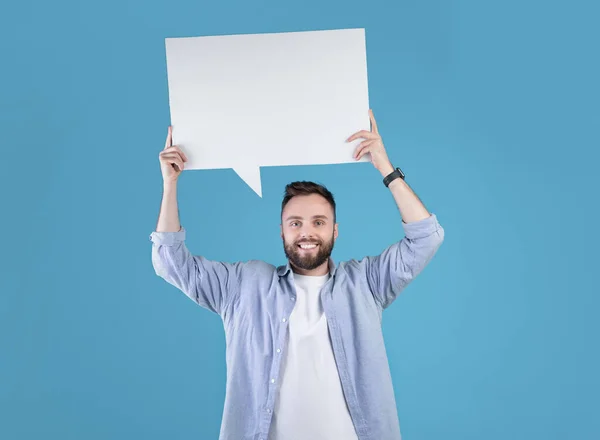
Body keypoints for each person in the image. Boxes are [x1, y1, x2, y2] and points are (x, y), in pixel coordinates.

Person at [150, 110, 445, 440]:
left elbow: (426, 237)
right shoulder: (243, 286)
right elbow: (170, 260)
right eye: (296, 223)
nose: (307, 232)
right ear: (281, 232)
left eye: (318, 222)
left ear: (335, 231)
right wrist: (170, 183)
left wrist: (386, 169)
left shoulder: (366, 283)